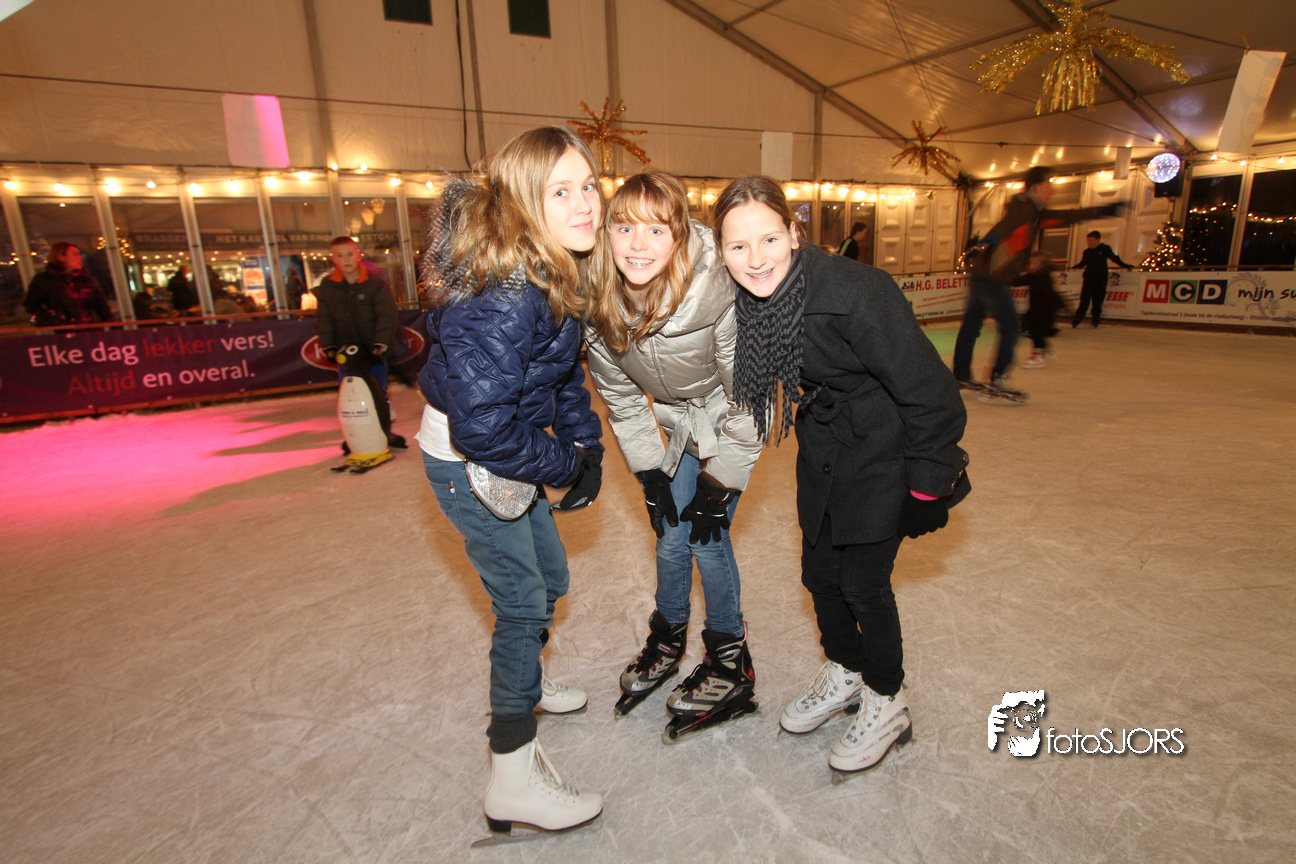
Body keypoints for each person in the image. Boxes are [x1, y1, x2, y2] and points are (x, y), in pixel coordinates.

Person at [713, 175, 969, 777]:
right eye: (738, 246)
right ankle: (847, 671)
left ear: (793, 232)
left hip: (884, 448)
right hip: (826, 446)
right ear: (721, 252)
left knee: (862, 584)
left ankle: (887, 698)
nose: (756, 259)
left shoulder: (858, 291)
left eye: (769, 239)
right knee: (819, 574)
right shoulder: (751, 301)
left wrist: (928, 485)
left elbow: (931, 392)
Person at [415, 126, 606, 838]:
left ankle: (531, 676)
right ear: (524, 202)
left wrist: (585, 446)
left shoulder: (553, 266)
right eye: (561, 192)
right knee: (524, 606)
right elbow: (481, 430)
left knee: (551, 578)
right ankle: (512, 781)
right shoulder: (505, 292)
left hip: (512, 450)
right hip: (469, 462)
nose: (585, 204)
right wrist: (564, 464)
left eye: (588, 185)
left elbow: (560, 374)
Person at [583, 171, 762, 735]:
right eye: (625, 228)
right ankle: (668, 636)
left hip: (729, 417)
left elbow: (749, 397)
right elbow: (620, 397)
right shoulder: (597, 302)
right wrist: (649, 472)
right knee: (670, 532)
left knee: (707, 536)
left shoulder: (717, 292)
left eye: (656, 230)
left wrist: (721, 483)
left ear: (679, 236)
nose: (637, 245)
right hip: (678, 422)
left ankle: (730, 660)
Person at [952, 166, 1122, 401]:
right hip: (991, 279)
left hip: (983, 275)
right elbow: (1004, 228)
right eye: (1048, 185)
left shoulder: (1033, 212)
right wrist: (987, 243)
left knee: (971, 326)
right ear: (1038, 187)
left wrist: (1102, 210)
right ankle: (997, 381)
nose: (1051, 190)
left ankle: (961, 376)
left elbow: (1066, 217)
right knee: (1011, 326)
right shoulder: (1024, 210)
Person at [313, 236, 405, 449]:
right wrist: (329, 346)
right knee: (350, 394)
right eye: (340, 255)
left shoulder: (375, 283)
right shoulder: (328, 286)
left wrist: (380, 344)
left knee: (378, 393)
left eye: (349, 254)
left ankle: (383, 431)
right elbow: (324, 317)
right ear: (333, 258)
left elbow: (387, 315)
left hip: (373, 352)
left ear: (358, 255)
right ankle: (356, 434)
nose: (345, 259)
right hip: (346, 353)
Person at [23, 242, 115, 326]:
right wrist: (50, 317)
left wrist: (113, 327)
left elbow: (102, 306)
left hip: (93, 329)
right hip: (64, 331)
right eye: (75, 254)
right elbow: (31, 304)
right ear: (61, 257)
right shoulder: (44, 281)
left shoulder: (86, 279)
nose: (80, 258)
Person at [1071, 230, 1132, 328]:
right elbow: (1083, 262)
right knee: (1084, 300)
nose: (1089, 243)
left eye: (1091, 240)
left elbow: (1114, 258)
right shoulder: (1087, 252)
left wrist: (1125, 265)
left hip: (1100, 279)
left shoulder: (1104, 249)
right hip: (1088, 279)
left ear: (1097, 240)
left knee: (1098, 301)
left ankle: (1096, 319)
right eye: (1088, 241)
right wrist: (1076, 266)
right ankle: (1077, 319)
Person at [1015, 251, 1065, 368]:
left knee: (1036, 332)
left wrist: (1059, 305)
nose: (1031, 266)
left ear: (1041, 265)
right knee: (1034, 329)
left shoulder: (1045, 278)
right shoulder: (1031, 276)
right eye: (1030, 263)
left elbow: (1051, 295)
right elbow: (1017, 282)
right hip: (1035, 309)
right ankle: (1046, 351)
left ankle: (1038, 357)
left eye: (1034, 263)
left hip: (1045, 310)